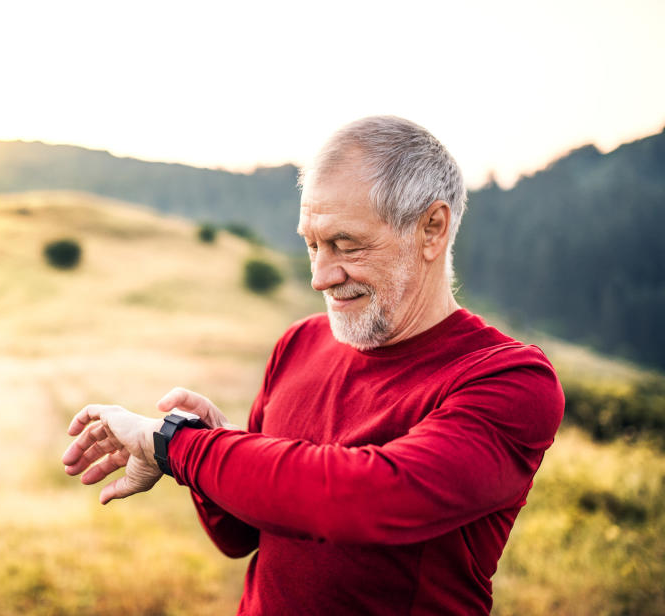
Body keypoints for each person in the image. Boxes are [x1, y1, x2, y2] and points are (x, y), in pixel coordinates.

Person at [61, 116, 564, 615]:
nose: (321, 276)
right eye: (311, 245)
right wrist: (213, 442)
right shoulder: (299, 342)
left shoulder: (509, 380)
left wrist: (175, 445)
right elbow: (239, 537)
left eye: (346, 245)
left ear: (431, 229)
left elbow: (366, 501)